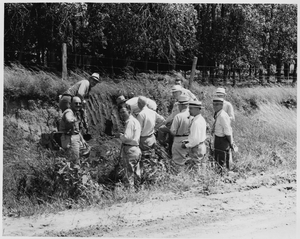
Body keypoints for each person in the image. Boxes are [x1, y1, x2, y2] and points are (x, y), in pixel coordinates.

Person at [136, 96, 165, 175]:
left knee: (144, 159)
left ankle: (145, 176)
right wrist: (155, 128)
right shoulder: (152, 112)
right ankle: (154, 174)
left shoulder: (141, 114)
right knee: (152, 157)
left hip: (144, 140)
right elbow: (163, 120)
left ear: (139, 104)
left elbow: (138, 130)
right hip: (152, 138)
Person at [116, 104, 142, 190]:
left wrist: (120, 136)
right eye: (120, 112)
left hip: (130, 149)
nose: (122, 114)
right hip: (136, 149)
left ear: (129, 111)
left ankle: (129, 192)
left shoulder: (130, 122)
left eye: (124, 112)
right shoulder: (135, 121)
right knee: (136, 172)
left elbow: (127, 137)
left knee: (128, 173)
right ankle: (138, 190)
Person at [169, 95, 193, 173]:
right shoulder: (193, 115)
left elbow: (173, 131)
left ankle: (180, 177)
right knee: (189, 161)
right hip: (191, 140)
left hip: (179, 139)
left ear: (181, 105)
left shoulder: (178, 116)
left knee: (178, 162)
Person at [181, 101, 207, 171]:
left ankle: (197, 180)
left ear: (197, 109)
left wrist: (186, 145)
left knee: (195, 167)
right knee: (201, 165)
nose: (189, 110)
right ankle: (203, 179)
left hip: (197, 147)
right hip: (201, 145)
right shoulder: (200, 119)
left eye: (191, 109)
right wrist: (188, 141)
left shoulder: (196, 122)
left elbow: (195, 140)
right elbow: (197, 136)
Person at [59, 96, 84, 164]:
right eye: (76, 103)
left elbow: (76, 130)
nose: (78, 105)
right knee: (74, 163)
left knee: (72, 161)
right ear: (70, 104)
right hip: (70, 140)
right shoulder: (69, 112)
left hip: (71, 139)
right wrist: (72, 120)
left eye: (79, 103)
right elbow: (69, 119)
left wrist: (82, 140)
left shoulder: (74, 113)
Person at [211, 97, 233, 172]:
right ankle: (221, 173)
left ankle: (223, 174)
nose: (215, 106)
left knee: (221, 159)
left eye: (217, 104)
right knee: (217, 158)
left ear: (221, 105)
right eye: (213, 104)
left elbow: (227, 130)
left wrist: (231, 142)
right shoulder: (218, 114)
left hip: (222, 139)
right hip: (218, 138)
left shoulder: (222, 115)